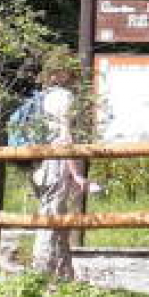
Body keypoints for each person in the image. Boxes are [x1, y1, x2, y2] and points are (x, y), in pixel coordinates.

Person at [30, 56, 94, 279]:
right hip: (56, 164)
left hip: (38, 163)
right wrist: (77, 175)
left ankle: (64, 274)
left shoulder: (42, 97)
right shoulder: (65, 97)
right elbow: (66, 139)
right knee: (51, 219)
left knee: (55, 216)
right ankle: (40, 275)